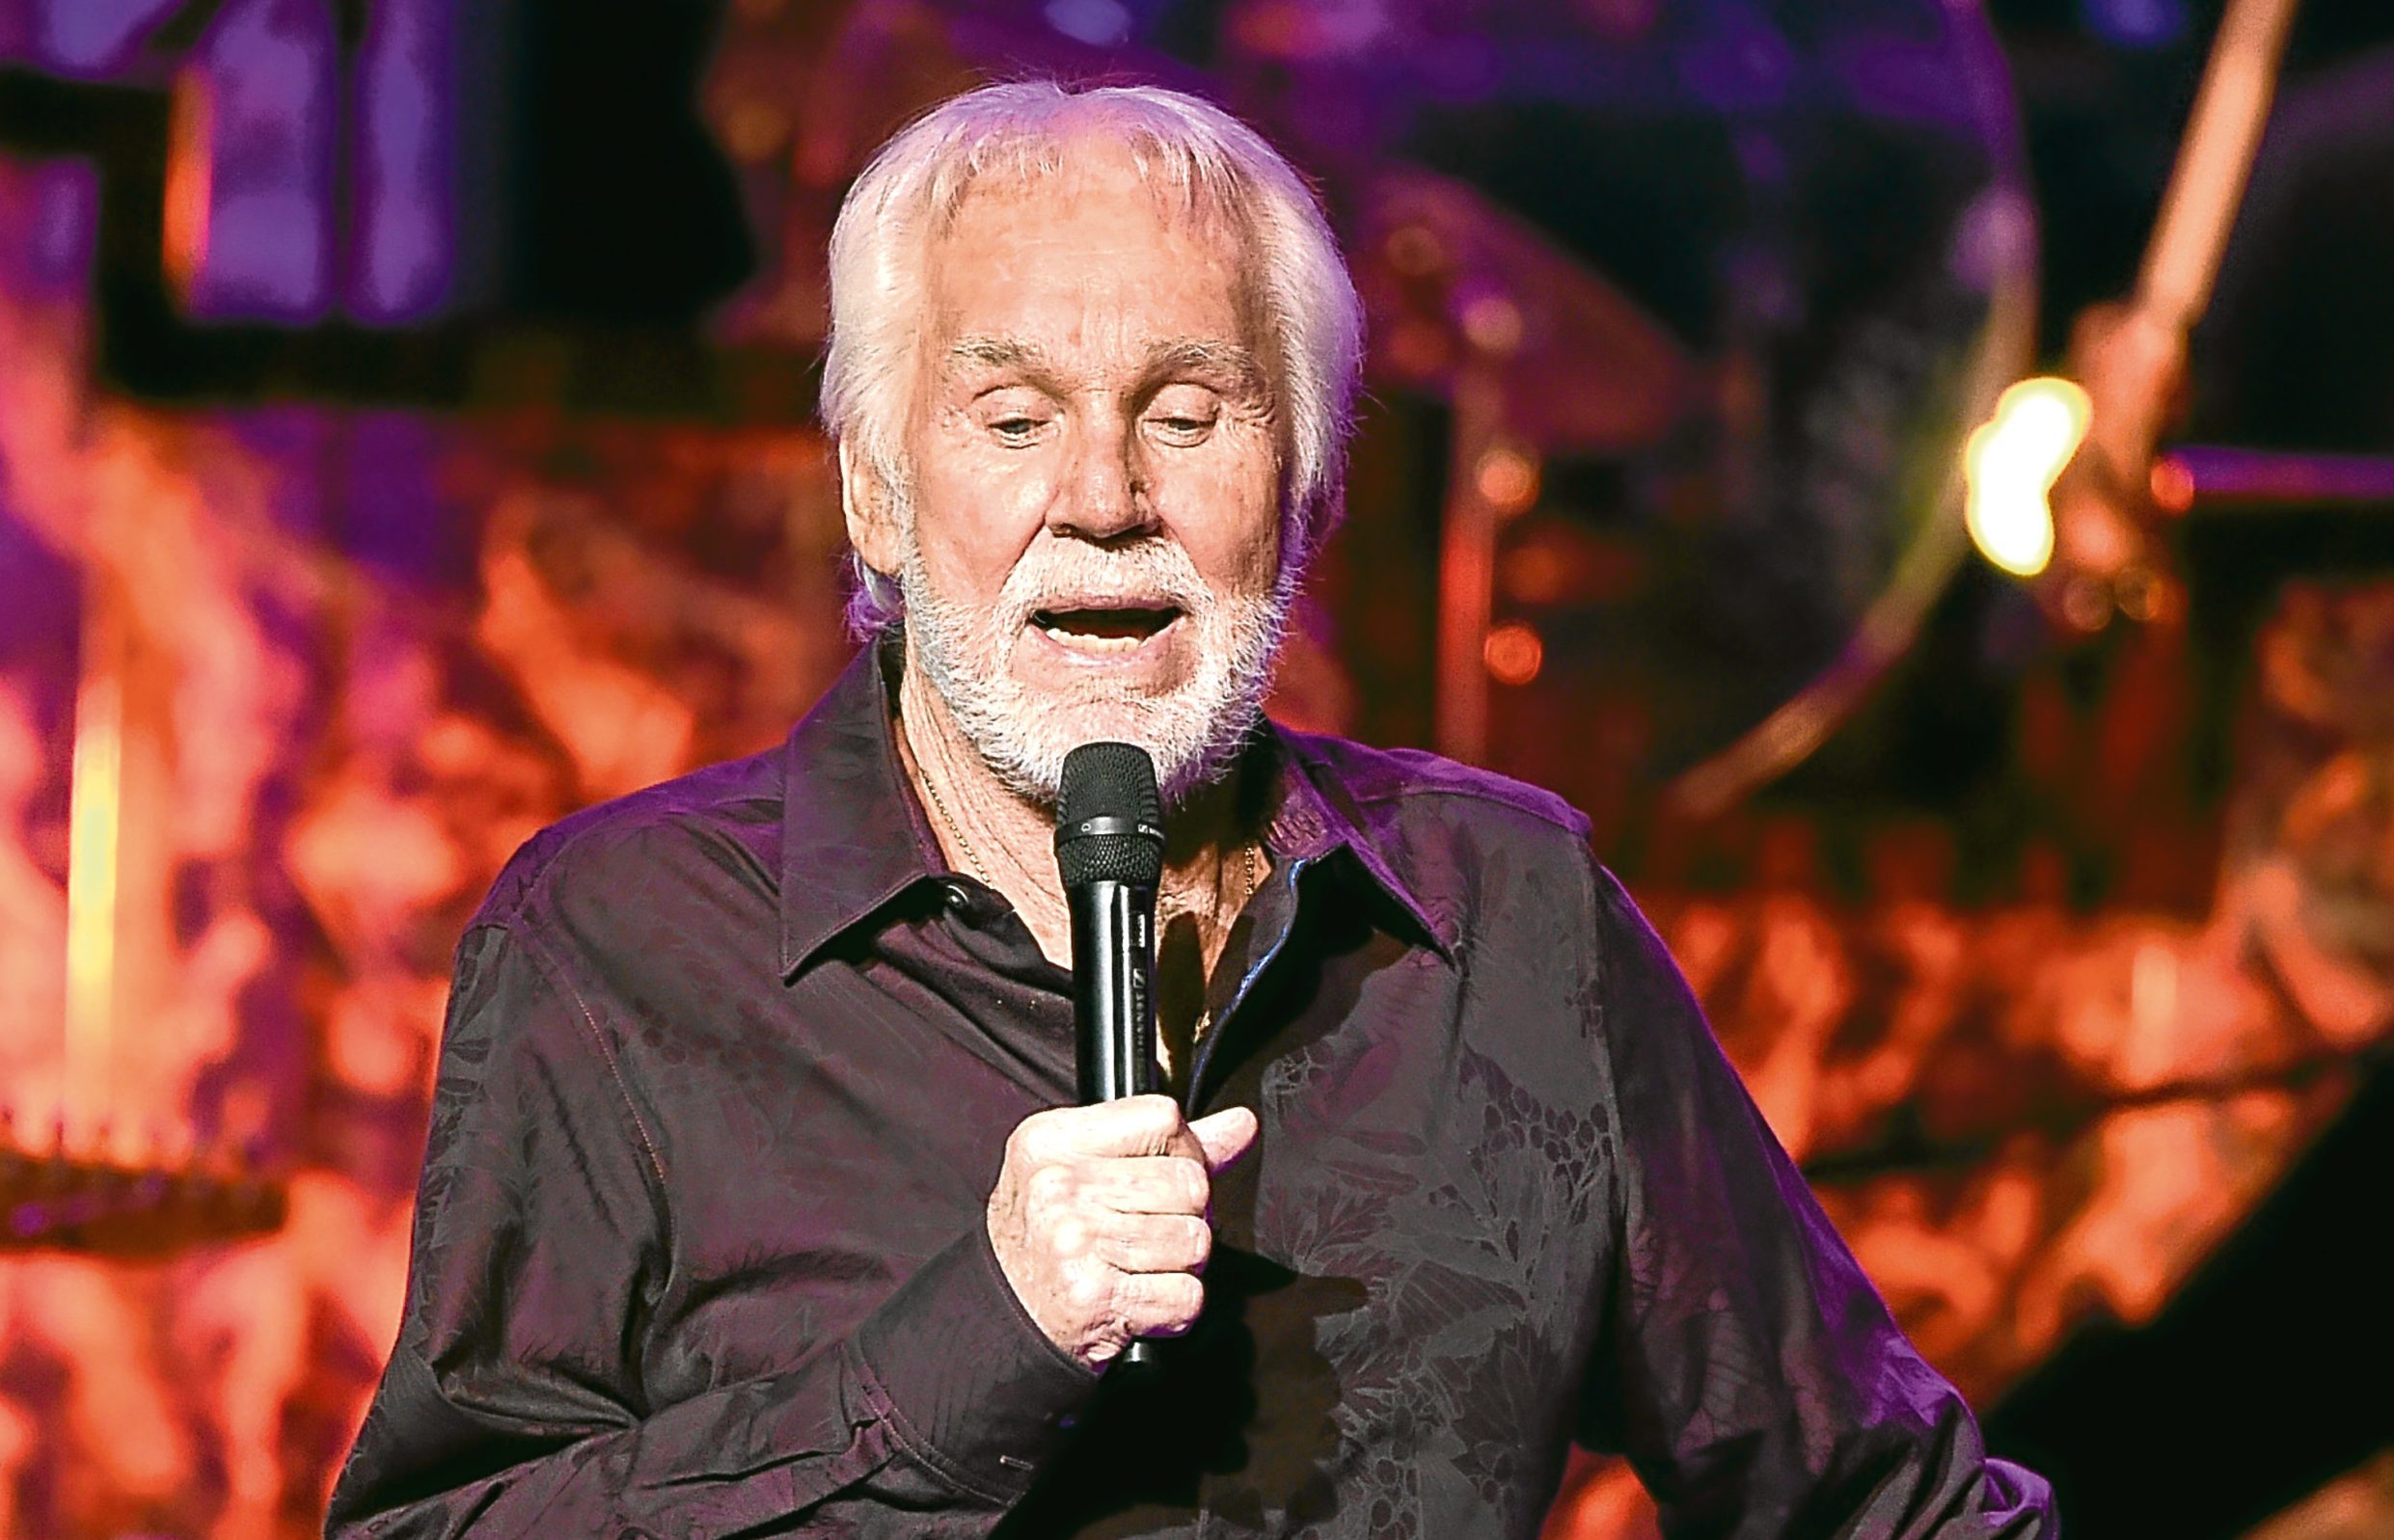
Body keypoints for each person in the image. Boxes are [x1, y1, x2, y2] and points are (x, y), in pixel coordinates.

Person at [325, 81, 2054, 1538]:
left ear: (1303, 481)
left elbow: (1886, 1506)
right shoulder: (623, 944)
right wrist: (971, 1340)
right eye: (1011, 415)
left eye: (1186, 411)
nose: (1103, 498)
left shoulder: (1508, 913)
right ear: (873, 488)